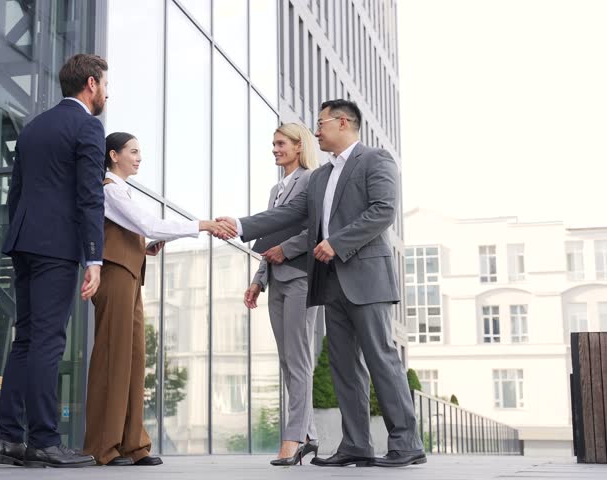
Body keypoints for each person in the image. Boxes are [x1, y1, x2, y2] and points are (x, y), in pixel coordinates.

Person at [218, 100, 425, 468]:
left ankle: (406, 443)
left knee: (381, 359)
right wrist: (239, 224)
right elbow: (288, 214)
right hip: (331, 282)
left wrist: (337, 242)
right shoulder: (321, 177)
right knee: (343, 366)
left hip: (366, 278)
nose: (316, 131)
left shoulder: (375, 160)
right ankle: (356, 444)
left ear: (342, 122)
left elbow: (382, 211)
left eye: (321, 123)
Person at [83, 132, 235, 466]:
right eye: (133, 152)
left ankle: (132, 445)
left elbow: (138, 229)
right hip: (116, 276)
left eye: (140, 152)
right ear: (113, 155)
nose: (139, 158)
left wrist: (145, 247)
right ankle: (103, 447)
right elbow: (149, 223)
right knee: (114, 359)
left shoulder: (122, 191)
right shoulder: (109, 189)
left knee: (134, 360)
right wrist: (204, 225)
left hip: (131, 275)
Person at [0, 54, 109, 469]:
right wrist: (94, 256)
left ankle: (8, 439)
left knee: (25, 338)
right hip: (57, 245)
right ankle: (43, 439)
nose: (107, 93)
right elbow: (90, 195)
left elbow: (16, 192)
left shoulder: (34, 126)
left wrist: (18, 235)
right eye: (105, 85)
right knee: (47, 340)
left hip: (24, 241)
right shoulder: (88, 126)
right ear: (91, 84)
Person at [244, 123, 320, 466]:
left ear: (298, 145)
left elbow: (316, 230)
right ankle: (309, 435)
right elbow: (269, 236)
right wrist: (258, 279)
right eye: (273, 144)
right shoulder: (276, 190)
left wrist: (286, 250)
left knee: (299, 359)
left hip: (301, 278)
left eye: (280, 143)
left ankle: (293, 438)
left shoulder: (311, 180)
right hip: (276, 280)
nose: (274, 149)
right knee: (288, 360)